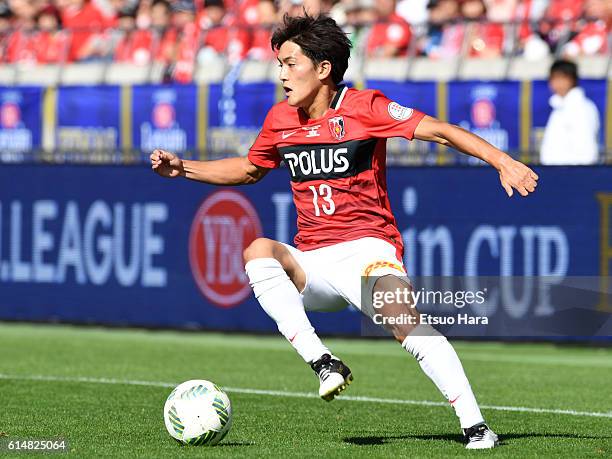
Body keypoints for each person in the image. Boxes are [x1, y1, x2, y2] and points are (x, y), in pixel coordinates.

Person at [150, 13, 538, 449]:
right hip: (313, 262)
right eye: (279, 64)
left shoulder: (365, 108)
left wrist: (502, 161)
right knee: (259, 248)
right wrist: (184, 168)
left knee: (404, 322)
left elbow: (442, 131)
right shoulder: (281, 119)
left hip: (368, 251)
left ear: (323, 69)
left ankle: (476, 427)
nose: (281, 74)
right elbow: (248, 169)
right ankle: (324, 364)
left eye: (290, 63)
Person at [540, 59, 600, 165]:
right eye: (553, 78)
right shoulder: (558, 108)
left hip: (572, 177)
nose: (555, 83)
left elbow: (588, 153)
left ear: (572, 79)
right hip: (556, 174)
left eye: (560, 78)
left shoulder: (583, 108)